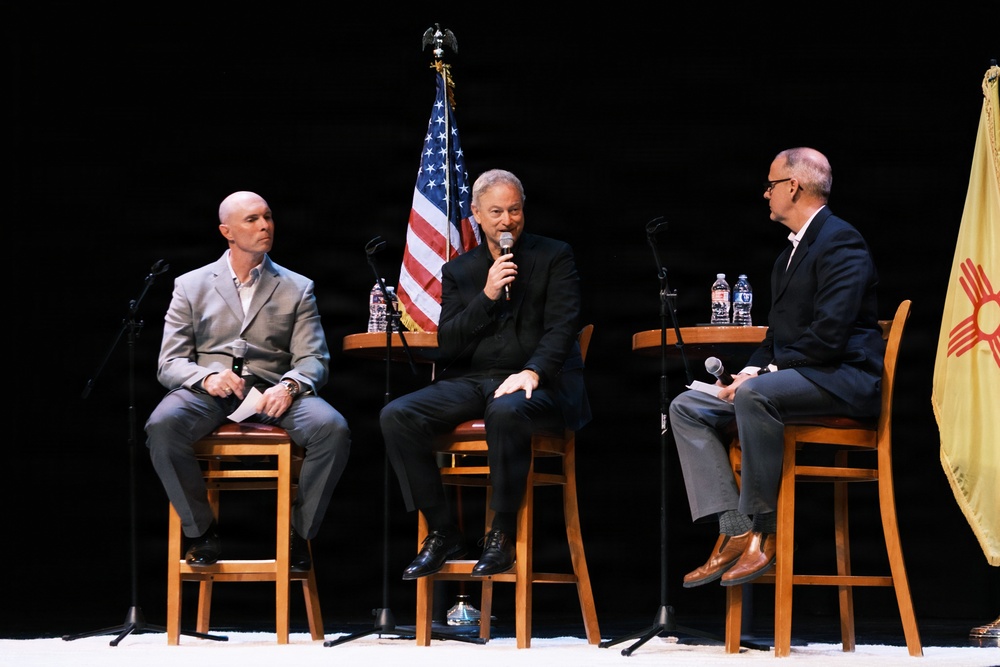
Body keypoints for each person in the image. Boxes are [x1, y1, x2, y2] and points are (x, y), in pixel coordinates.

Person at [669, 147, 885, 588]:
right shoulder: (787, 254)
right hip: (799, 378)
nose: (765, 193)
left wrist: (759, 379)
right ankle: (734, 527)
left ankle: (763, 531)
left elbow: (829, 337)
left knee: (755, 395)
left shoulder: (841, 240)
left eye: (770, 184)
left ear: (794, 186)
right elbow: (774, 339)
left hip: (843, 379)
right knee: (688, 406)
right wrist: (748, 371)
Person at [380, 168, 590, 579]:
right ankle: (442, 529)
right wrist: (489, 294)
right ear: (476, 213)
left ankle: (501, 532)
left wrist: (533, 372)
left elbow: (562, 328)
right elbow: (448, 344)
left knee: (506, 411)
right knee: (397, 415)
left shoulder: (554, 255)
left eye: (514, 210)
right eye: (496, 212)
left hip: (539, 384)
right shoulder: (460, 271)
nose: (506, 221)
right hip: (476, 381)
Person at [145, 190, 351, 571]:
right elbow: (170, 362)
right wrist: (205, 377)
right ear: (227, 231)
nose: (265, 226)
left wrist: (290, 386)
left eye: (268, 217)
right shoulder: (191, 285)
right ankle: (202, 531)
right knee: (162, 425)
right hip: (212, 393)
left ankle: (299, 535)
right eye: (252, 220)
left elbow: (313, 358)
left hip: (274, 392)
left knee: (331, 428)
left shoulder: (296, 286)